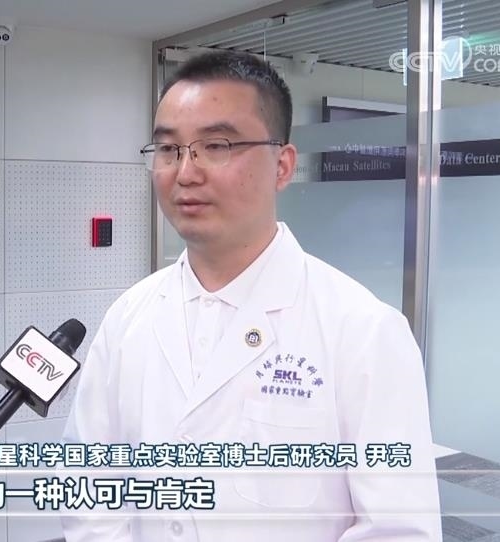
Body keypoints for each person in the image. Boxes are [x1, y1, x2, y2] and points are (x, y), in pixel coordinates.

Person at [60, 50, 442, 541]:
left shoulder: (363, 331)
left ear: (282, 166)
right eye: (169, 149)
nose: (185, 172)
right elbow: (87, 482)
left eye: (216, 146)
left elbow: (399, 530)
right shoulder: (128, 317)